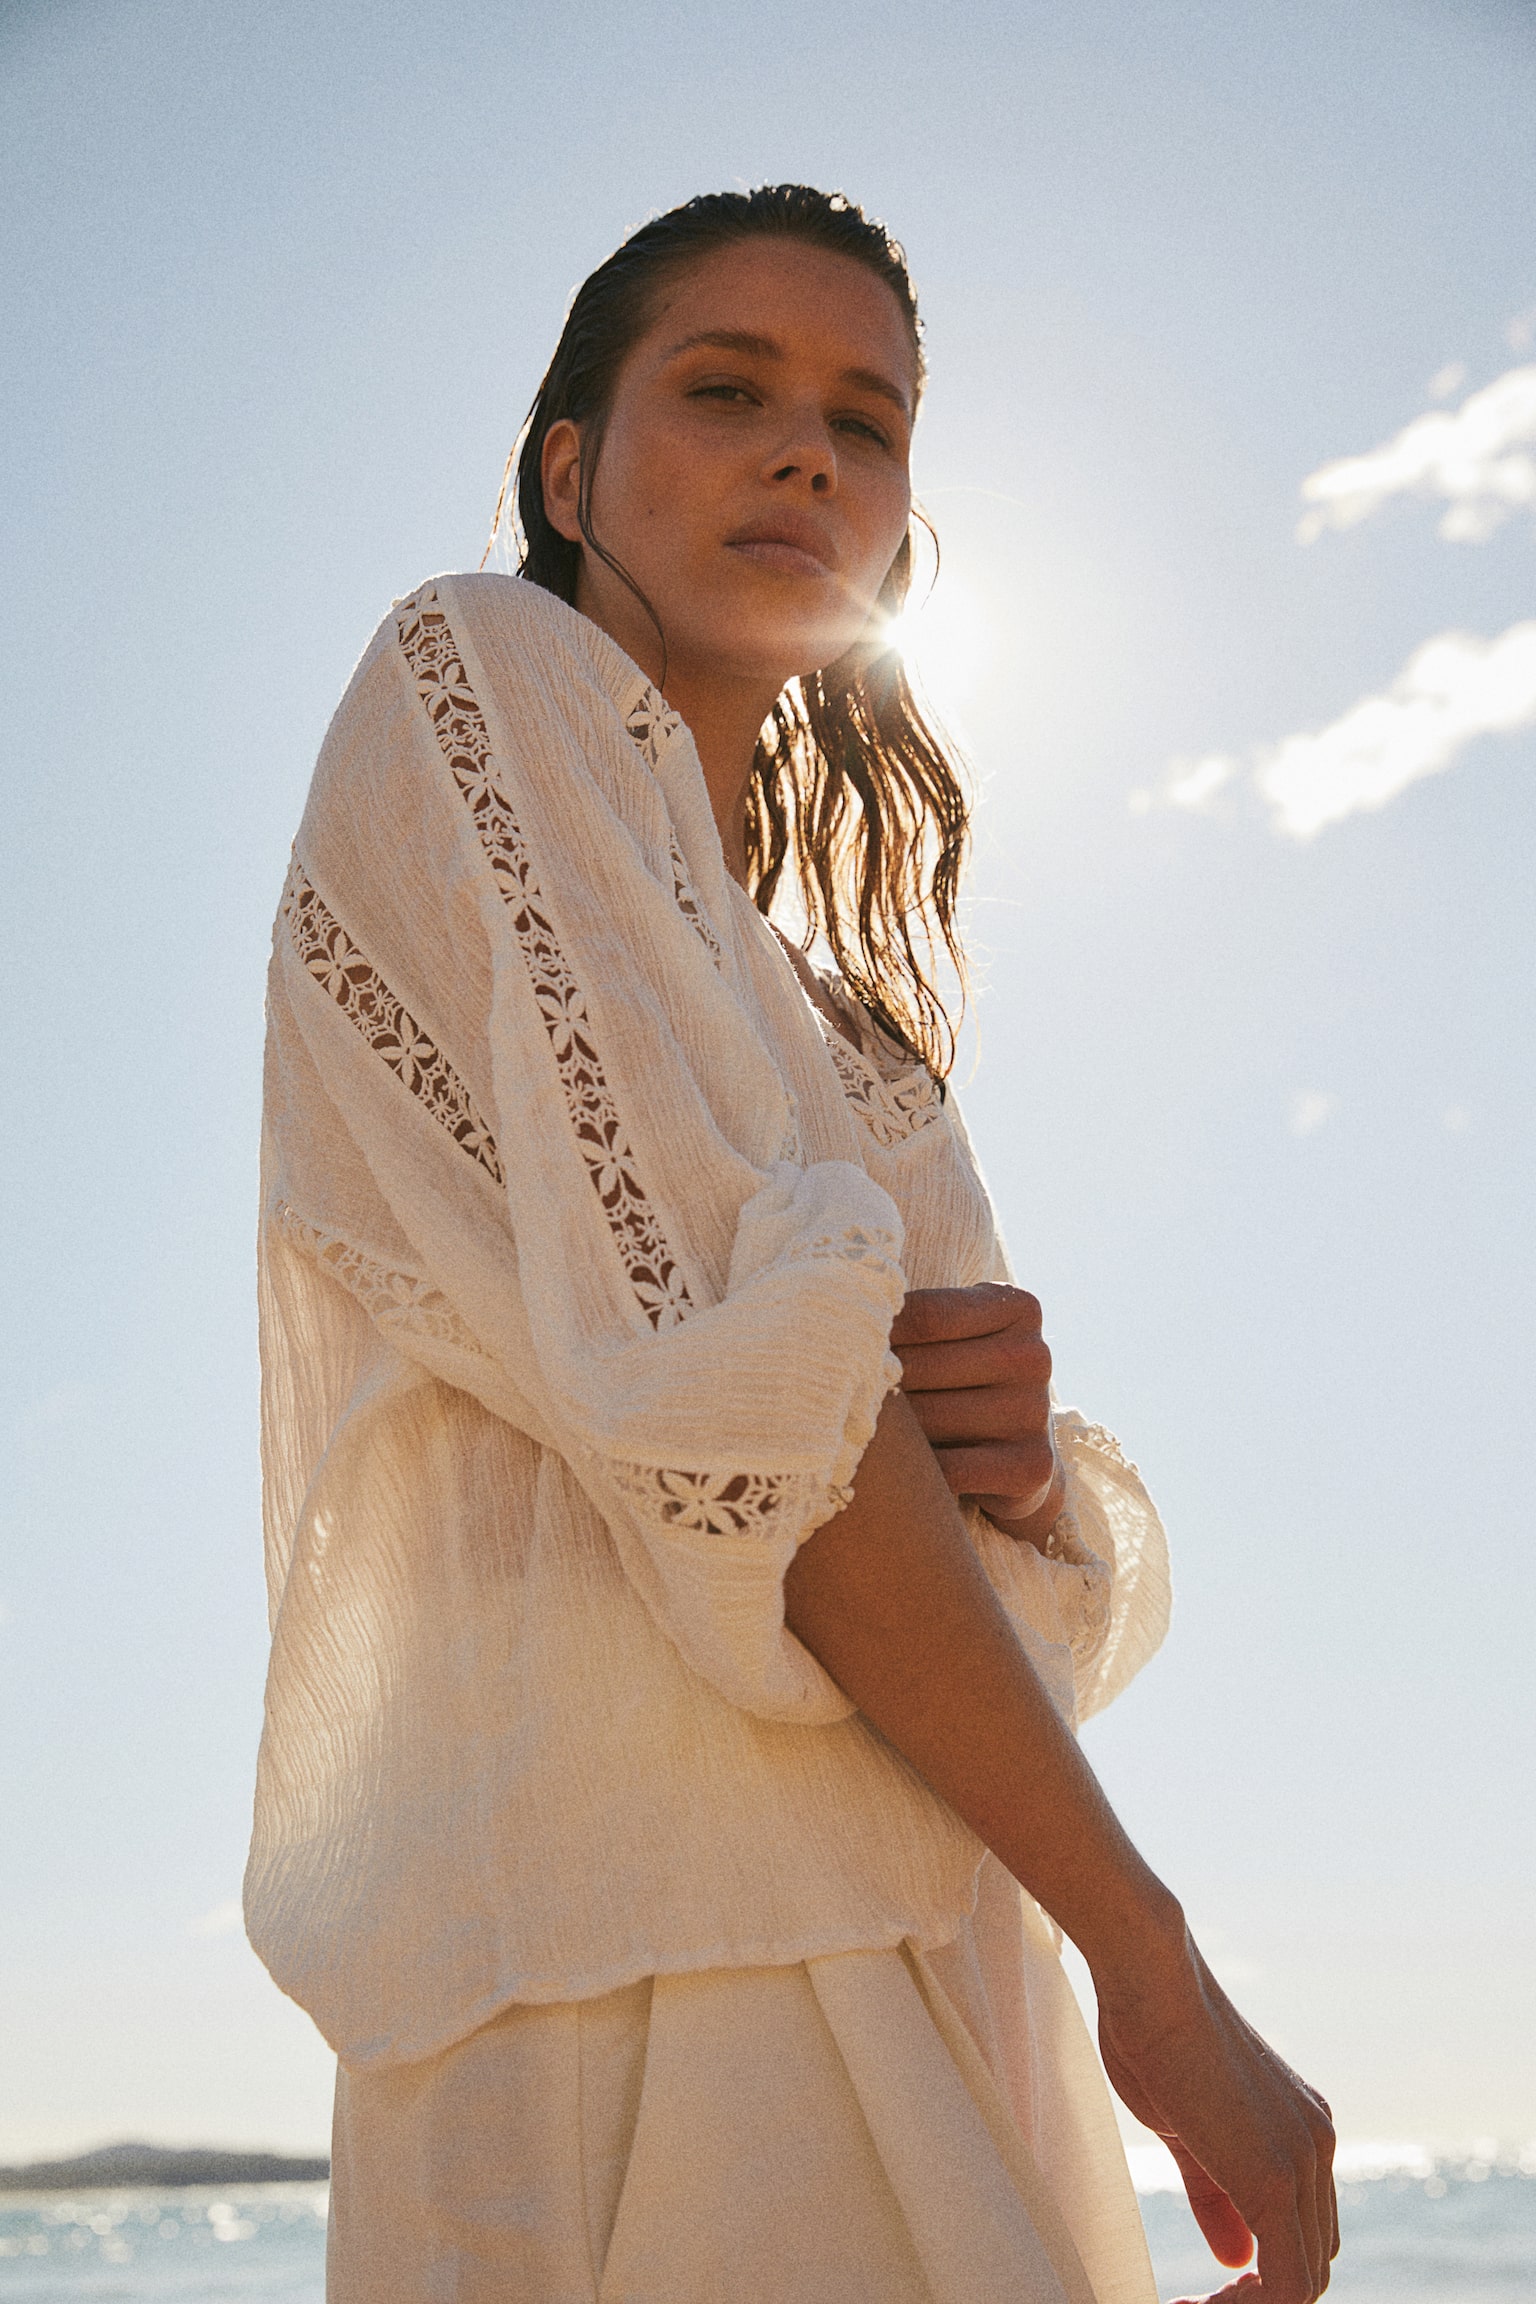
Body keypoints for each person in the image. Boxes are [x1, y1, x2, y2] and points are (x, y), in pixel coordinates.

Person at [249, 184, 1336, 2303]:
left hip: (939, 1950)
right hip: (634, 1961)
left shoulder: (838, 1023)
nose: (805, 451)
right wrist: (1163, 1967)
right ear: (571, 470)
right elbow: (759, 1432)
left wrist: (1011, 1471)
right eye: (727, 389)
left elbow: (867, 1485)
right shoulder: (477, 685)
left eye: (870, 416)